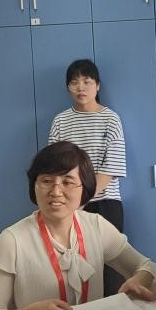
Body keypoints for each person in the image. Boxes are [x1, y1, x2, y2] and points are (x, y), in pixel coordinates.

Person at [0, 141, 156, 310]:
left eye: (68, 182)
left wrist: (137, 281)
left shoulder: (96, 226)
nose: (56, 191)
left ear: (84, 188)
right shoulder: (12, 240)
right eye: (46, 181)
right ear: (34, 186)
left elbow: (146, 265)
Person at [48, 59, 127, 232]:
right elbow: (54, 167)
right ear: (68, 87)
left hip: (105, 203)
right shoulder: (60, 121)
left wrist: (81, 200)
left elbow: (111, 169)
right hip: (69, 203)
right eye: (74, 82)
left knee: (110, 250)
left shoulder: (111, 119)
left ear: (98, 85)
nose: (80, 88)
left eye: (87, 82)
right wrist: (71, 202)